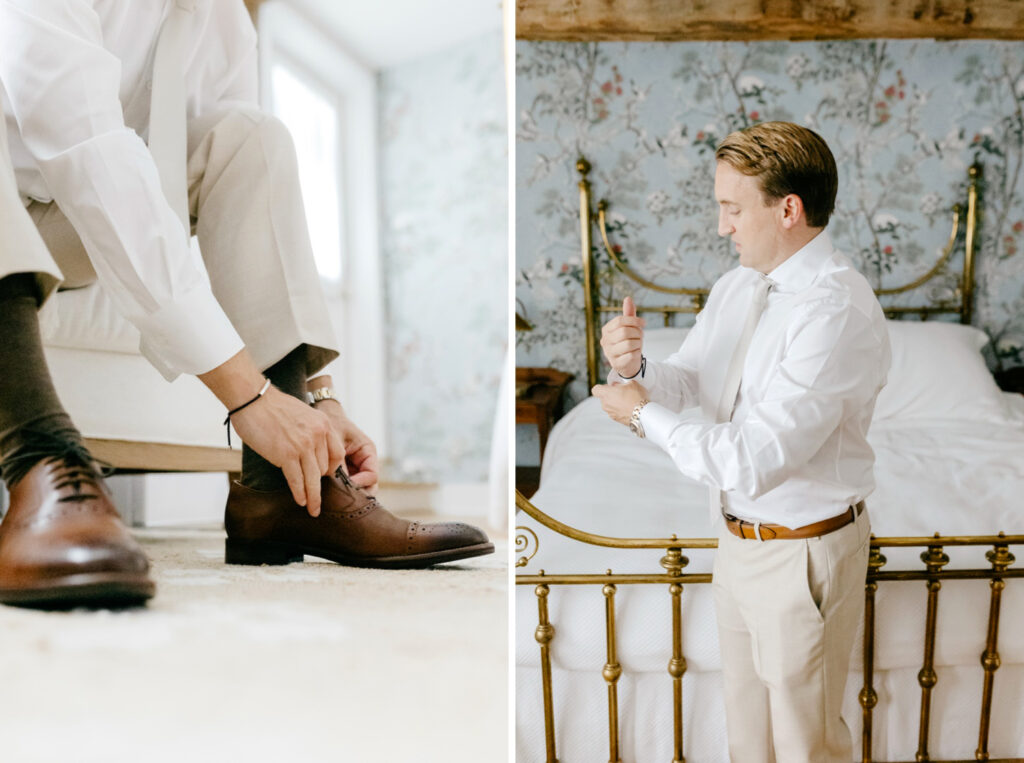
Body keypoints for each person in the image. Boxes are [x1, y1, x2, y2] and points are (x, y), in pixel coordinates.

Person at [0, 0, 492, 609]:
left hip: (69, 233)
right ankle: (38, 460)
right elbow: (90, 155)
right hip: (15, 210)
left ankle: (280, 493)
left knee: (249, 134)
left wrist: (312, 398)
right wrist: (248, 395)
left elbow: (180, 175)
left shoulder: (222, 18)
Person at [592, 121, 890, 761]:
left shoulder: (835, 311)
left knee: (807, 746)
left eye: (732, 208)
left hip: (802, 556)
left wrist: (642, 416)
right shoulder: (736, 288)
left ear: (788, 209)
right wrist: (634, 367)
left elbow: (753, 460)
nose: (722, 226)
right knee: (747, 738)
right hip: (736, 543)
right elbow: (692, 381)